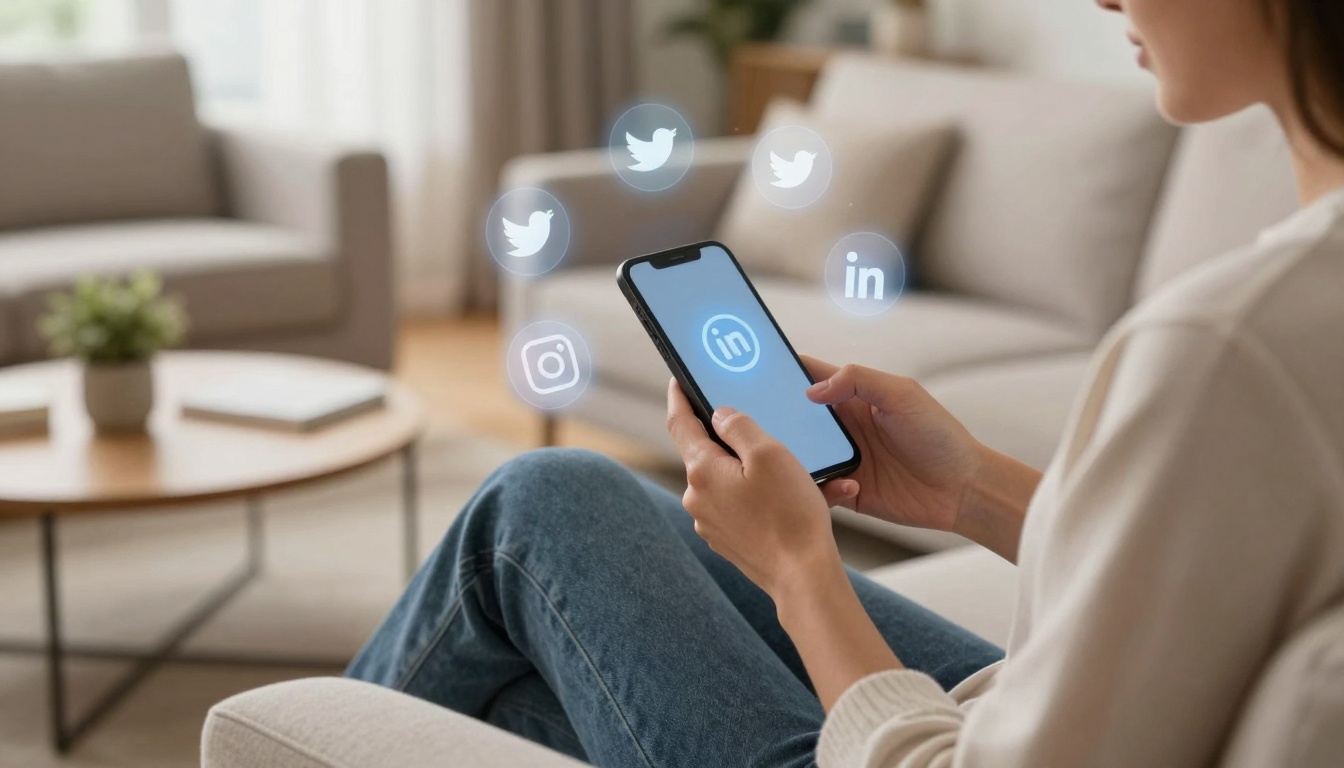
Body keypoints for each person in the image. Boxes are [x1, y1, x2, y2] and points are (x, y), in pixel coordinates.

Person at [348, 0, 1344, 764]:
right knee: (547, 646)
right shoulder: (1280, 324)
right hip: (1032, 711)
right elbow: (1209, 575)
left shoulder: (1223, 349)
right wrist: (971, 489)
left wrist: (799, 568)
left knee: (542, 505)